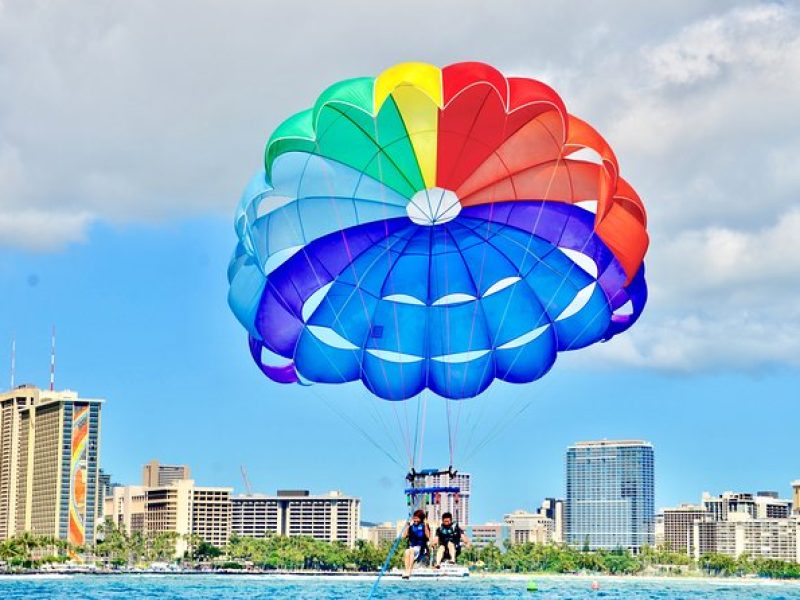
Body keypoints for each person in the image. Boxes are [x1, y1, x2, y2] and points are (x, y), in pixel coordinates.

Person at [401, 509, 430, 579]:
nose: (415, 519)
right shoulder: (411, 527)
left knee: (411, 551)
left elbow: (428, 536)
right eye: (414, 518)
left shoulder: (424, 526)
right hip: (412, 547)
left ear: (421, 518)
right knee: (407, 551)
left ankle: (409, 572)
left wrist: (426, 525)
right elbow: (404, 536)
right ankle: (406, 571)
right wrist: (408, 526)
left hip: (420, 549)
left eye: (417, 518)